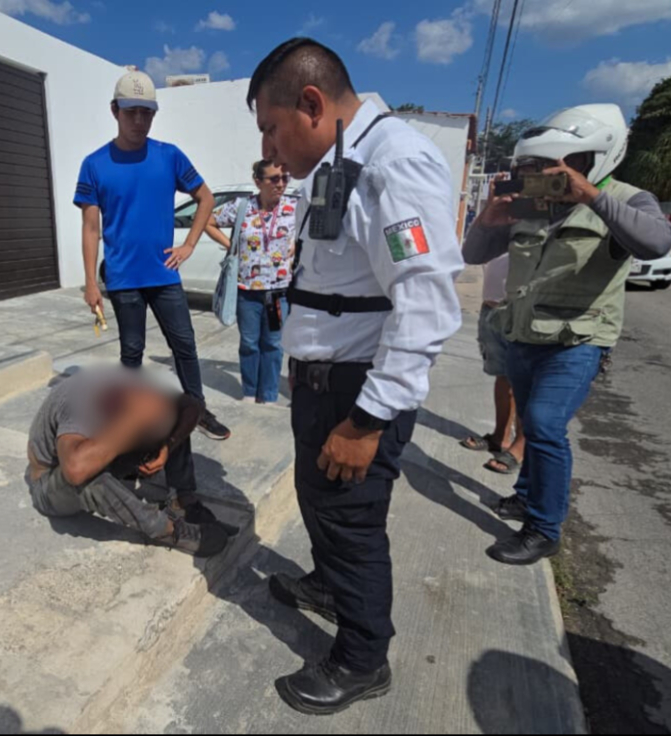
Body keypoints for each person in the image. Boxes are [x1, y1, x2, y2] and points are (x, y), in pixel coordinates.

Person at [246, 39, 464, 715]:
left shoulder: (392, 164)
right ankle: (330, 586)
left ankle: (363, 659)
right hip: (324, 382)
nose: (269, 149)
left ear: (311, 104)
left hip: (357, 393)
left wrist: (366, 422)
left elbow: (425, 304)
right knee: (320, 503)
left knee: (352, 521)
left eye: (272, 128)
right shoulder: (340, 162)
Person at [463, 104, 671, 566]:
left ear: (592, 160)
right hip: (522, 334)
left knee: (544, 425)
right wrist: (488, 219)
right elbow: (473, 254)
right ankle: (525, 496)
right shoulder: (530, 205)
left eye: (556, 166)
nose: (544, 175)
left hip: (577, 342)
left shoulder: (627, 199)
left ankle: (544, 529)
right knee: (530, 423)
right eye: (535, 166)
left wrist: (590, 196)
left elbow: (658, 243)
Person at [75, 71, 232, 441]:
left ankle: (196, 409)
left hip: (163, 274)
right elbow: (91, 229)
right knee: (132, 351)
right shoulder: (94, 164)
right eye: (131, 111)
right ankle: (129, 414)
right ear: (115, 111)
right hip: (123, 277)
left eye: (146, 112)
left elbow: (206, 198)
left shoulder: (168, 156)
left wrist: (189, 245)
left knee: (184, 345)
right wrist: (90, 283)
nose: (139, 120)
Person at [26, 368, 230, 557]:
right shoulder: (79, 402)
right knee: (91, 477)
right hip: (50, 484)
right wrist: (133, 420)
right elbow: (74, 470)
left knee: (171, 419)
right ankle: (168, 530)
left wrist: (167, 446)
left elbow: (192, 407)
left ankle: (181, 500)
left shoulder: (137, 387)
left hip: (107, 436)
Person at [204, 159, 298, 404]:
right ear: (258, 182)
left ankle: (268, 395)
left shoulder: (294, 207)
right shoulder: (242, 206)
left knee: (273, 344)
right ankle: (249, 392)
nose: (281, 184)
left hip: (277, 292)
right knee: (249, 343)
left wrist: (299, 246)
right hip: (247, 291)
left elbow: (313, 232)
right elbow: (207, 221)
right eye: (274, 179)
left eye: (284, 178)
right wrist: (231, 246)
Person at [460, 252, 526, 475]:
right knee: (502, 376)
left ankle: (520, 447)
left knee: (524, 381)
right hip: (492, 307)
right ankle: (500, 437)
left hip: (521, 311)